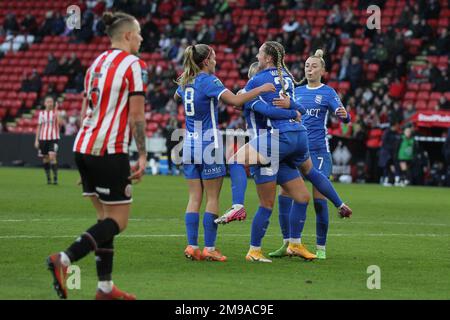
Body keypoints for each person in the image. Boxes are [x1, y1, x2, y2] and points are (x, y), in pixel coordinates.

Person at [46, 11, 148, 300]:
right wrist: (141, 154)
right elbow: (137, 115)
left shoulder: (96, 64)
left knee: (105, 220)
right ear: (127, 35)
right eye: (138, 33)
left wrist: (86, 164)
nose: (141, 38)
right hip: (108, 148)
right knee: (118, 221)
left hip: (84, 144)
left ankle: (105, 288)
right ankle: (63, 259)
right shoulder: (134, 65)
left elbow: (85, 110)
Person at [229, 42, 352, 260]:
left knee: (290, 198)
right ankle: (272, 245)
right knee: (286, 198)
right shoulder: (272, 85)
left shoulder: (264, 86)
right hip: (281, 144)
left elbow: (255, 105)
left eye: (260, 54)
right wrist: (292, 112)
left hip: (277, 146)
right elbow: (291, 110)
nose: (257, 56)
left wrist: (290, 110)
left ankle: (281, 244)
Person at [174, 44, 276, 262]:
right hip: (209, 144)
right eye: (214, 56)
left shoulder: (185, 81)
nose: (216, 60)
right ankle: (209, 248)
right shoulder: (209, 81)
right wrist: (260, 89)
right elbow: (236, 101)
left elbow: (176, 97)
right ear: (206, 61)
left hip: (188, 144)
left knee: (194, 197)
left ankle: (192, 246)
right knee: (212, 198)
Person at [269, 49, 351, 260]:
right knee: (285, 194)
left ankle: (321, 248)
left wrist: (344, 116)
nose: (309, 69)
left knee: (318, 198)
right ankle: (288, 243)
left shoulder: (328, 92)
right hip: (296, 150)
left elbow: (342, 114)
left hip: (318, 151)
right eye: (307, 66)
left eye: (314, 66)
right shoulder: (297, 91)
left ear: (323, 70)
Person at [34, 96, 60, 185]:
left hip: (53, 138)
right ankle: (48, 177)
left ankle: (55, 177)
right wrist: (36, 140)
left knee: (52, 157)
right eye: (48, 102)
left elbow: (60, 123)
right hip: (43, 138)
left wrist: (57, 111)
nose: (49, 103)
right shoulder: (41, 114)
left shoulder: (55, 113)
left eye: (51, 102)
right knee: (45, 158)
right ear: (45, 103)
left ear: (53, 103)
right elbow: (39, 126)